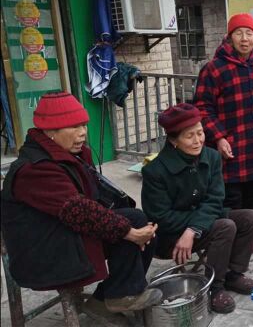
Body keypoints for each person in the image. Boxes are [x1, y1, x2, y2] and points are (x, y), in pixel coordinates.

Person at [0, 92, 161, 325]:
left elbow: (91, 201)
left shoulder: (70, 156)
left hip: (63, 230)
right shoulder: (34, 169)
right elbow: (77, 209)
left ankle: (111, 296)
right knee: (129, 230)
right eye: (74, 127)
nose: (83, 133)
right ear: (50, 131)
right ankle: (119, 294)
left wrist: (129, 226)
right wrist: (128, 232)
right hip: (43, 249)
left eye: (83, 125)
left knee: (138, 221)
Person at [142, 103, 253, 313]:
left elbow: (215, 199)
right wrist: (190, 229)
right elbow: (160, 216)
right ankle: (214, 287)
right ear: (173, 140)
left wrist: (193, 229)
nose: (198, 140)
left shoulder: (212, 157)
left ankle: (233, 274)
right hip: (171, 236)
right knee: (225, 226)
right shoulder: (155, 171)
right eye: (189, 136)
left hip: (197, 226)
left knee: (250, 218)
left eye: (200, 133)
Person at [193, 13, 253, 254]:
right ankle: (231, 241)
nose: (244, 38)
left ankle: (248, 237)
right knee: (231, 199)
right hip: (230, 148)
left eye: (249, 33)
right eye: (238, 33)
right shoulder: (214, 70)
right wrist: (219, 137)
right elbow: (202, 108)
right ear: (229, 37)